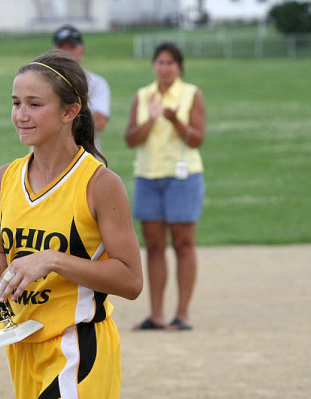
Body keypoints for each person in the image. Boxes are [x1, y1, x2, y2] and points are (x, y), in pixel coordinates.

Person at [0, 50, 142, 398]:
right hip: (23, 343)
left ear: (69, 111)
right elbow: (5, 252)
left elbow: (131, 280)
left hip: (78, 346)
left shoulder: (98, 183)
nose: (21, 115)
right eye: (16, 103)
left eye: (34, 104)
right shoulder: (4, 178)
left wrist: (51, 259)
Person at [124, 42, 206, 331]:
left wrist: (175, 121)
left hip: (182, 177)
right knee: (154, 246)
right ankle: (156, 314)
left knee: (184, 244)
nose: (165, 68)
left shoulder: (191, 94)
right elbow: (131, 139)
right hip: (148, 176)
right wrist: (152, 119)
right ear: (153, 66)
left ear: (179, 67)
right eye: (160, 62)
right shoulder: (143, 96)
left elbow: (196, 139)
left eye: (170, 63)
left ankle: (182, 314)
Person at [52, 24, 111, 148]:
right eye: (62, 47)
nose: (66, 52)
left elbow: (99, 122)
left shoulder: (96, 82)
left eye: (72, 47)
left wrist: (54, 118)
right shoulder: (41, 82)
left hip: (85, 155)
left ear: (81, 50)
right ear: (53, 50)